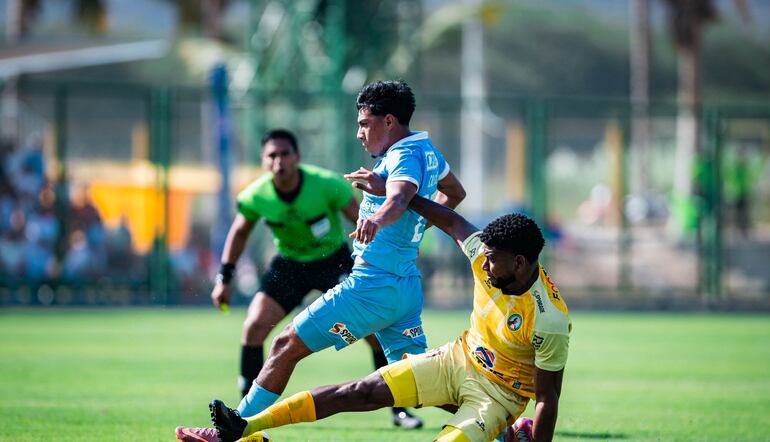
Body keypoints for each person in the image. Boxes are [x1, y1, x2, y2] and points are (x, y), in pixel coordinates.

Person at [177, 80, 466, 440]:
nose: (360, 132)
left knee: (285, 344)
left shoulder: (404, 156)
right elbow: (455, 192)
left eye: (364, 123)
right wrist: (417, 223)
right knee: (422, 379)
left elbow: (400, 195)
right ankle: (505, 425)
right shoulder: (428, 149)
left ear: (389, 120)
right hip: (404, 285)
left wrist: (379, 218)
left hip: (370, 286)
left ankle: (231, 434)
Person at [207, 191, 571, 442]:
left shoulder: (549, 319)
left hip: (498, 397)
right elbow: (450, 220)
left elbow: (546, 400)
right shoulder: (485, 257)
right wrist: (399, 195)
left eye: (493, 259)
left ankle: (507, 433)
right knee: (361, 391)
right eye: (485, 256)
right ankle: (245, 426)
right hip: (456, 361)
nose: (484, 264)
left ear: (520, 263)